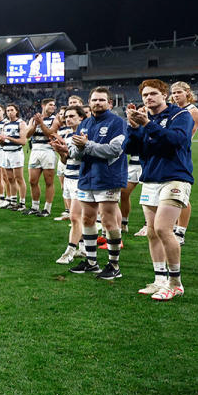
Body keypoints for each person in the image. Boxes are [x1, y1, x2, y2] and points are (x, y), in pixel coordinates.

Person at [125, 79, 194, 300]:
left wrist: (148, 125)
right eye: (145, 95)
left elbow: (178, 141)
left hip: (175, 177)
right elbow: (131, 149)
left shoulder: (179, 115)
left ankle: (175, 283)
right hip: (151, 179)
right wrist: (133, 128)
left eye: (153, 93)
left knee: (164, 229)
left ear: (164, 94)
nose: (148, 98)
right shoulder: (146, 119)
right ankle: (159, 279)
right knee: (152, 232)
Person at [65, 87, 127, 279]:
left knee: (108, 221)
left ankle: (114, 265)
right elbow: (77, 154)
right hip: (86, 177)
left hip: (107, 177)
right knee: (87, 219)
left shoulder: (117, 122)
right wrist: (76, 149)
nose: (97, 103)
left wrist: (86, 145)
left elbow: (114, 150)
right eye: (94, 100)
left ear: (109, 103)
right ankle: (91, 262)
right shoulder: (84, 124)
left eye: (101, 100)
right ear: (89, 103)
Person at [50, 106, 86, 264]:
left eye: (72, 116)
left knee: (75, 216)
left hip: (80, 179)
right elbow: (66, 160)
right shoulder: (68, 135)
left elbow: (86, 156)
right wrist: (61, 152)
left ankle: (70, 251)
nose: (68, 119)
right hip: (69, 177)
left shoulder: (84, 135)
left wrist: (68, 151)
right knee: (76, 219)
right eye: (66, 116)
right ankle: (83, 248)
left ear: (81, 118)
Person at [169, 81, 198, 245]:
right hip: (167, 156)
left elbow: (185, 138)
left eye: (179, 92)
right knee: (169, 194)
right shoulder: (172, 110)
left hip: (180, 156)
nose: (175, 95)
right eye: (173, 93)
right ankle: (172, 227)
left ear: (188, 93)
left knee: (181, 195)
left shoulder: (192, 112)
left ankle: (180, 232)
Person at [23, 98, 59, 216]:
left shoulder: (55, 119)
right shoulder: (33, 119)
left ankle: (47, 209)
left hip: (48, 150)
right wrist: (35, 124)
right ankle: (35, 207)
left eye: (54, 105)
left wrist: (41, 123)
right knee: (32, 181)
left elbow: (50, 133)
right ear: (43, 105)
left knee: (49, 181)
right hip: (35, 150)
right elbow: (27, 135)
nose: (53, 107)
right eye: (50, 105)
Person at [0, 104, 27, 210]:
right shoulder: (6, 124)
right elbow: (2, 144)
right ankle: (13, 201)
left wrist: (8, 138)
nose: (9, 112)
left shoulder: (21, 123)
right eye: (8, 110)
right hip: (6, 153)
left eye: (12, 110)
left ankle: (22, 203)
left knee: (19, 178)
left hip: (16, 153)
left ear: (16, 111)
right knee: (10, 178)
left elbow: (23, 141)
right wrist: (1, 141)